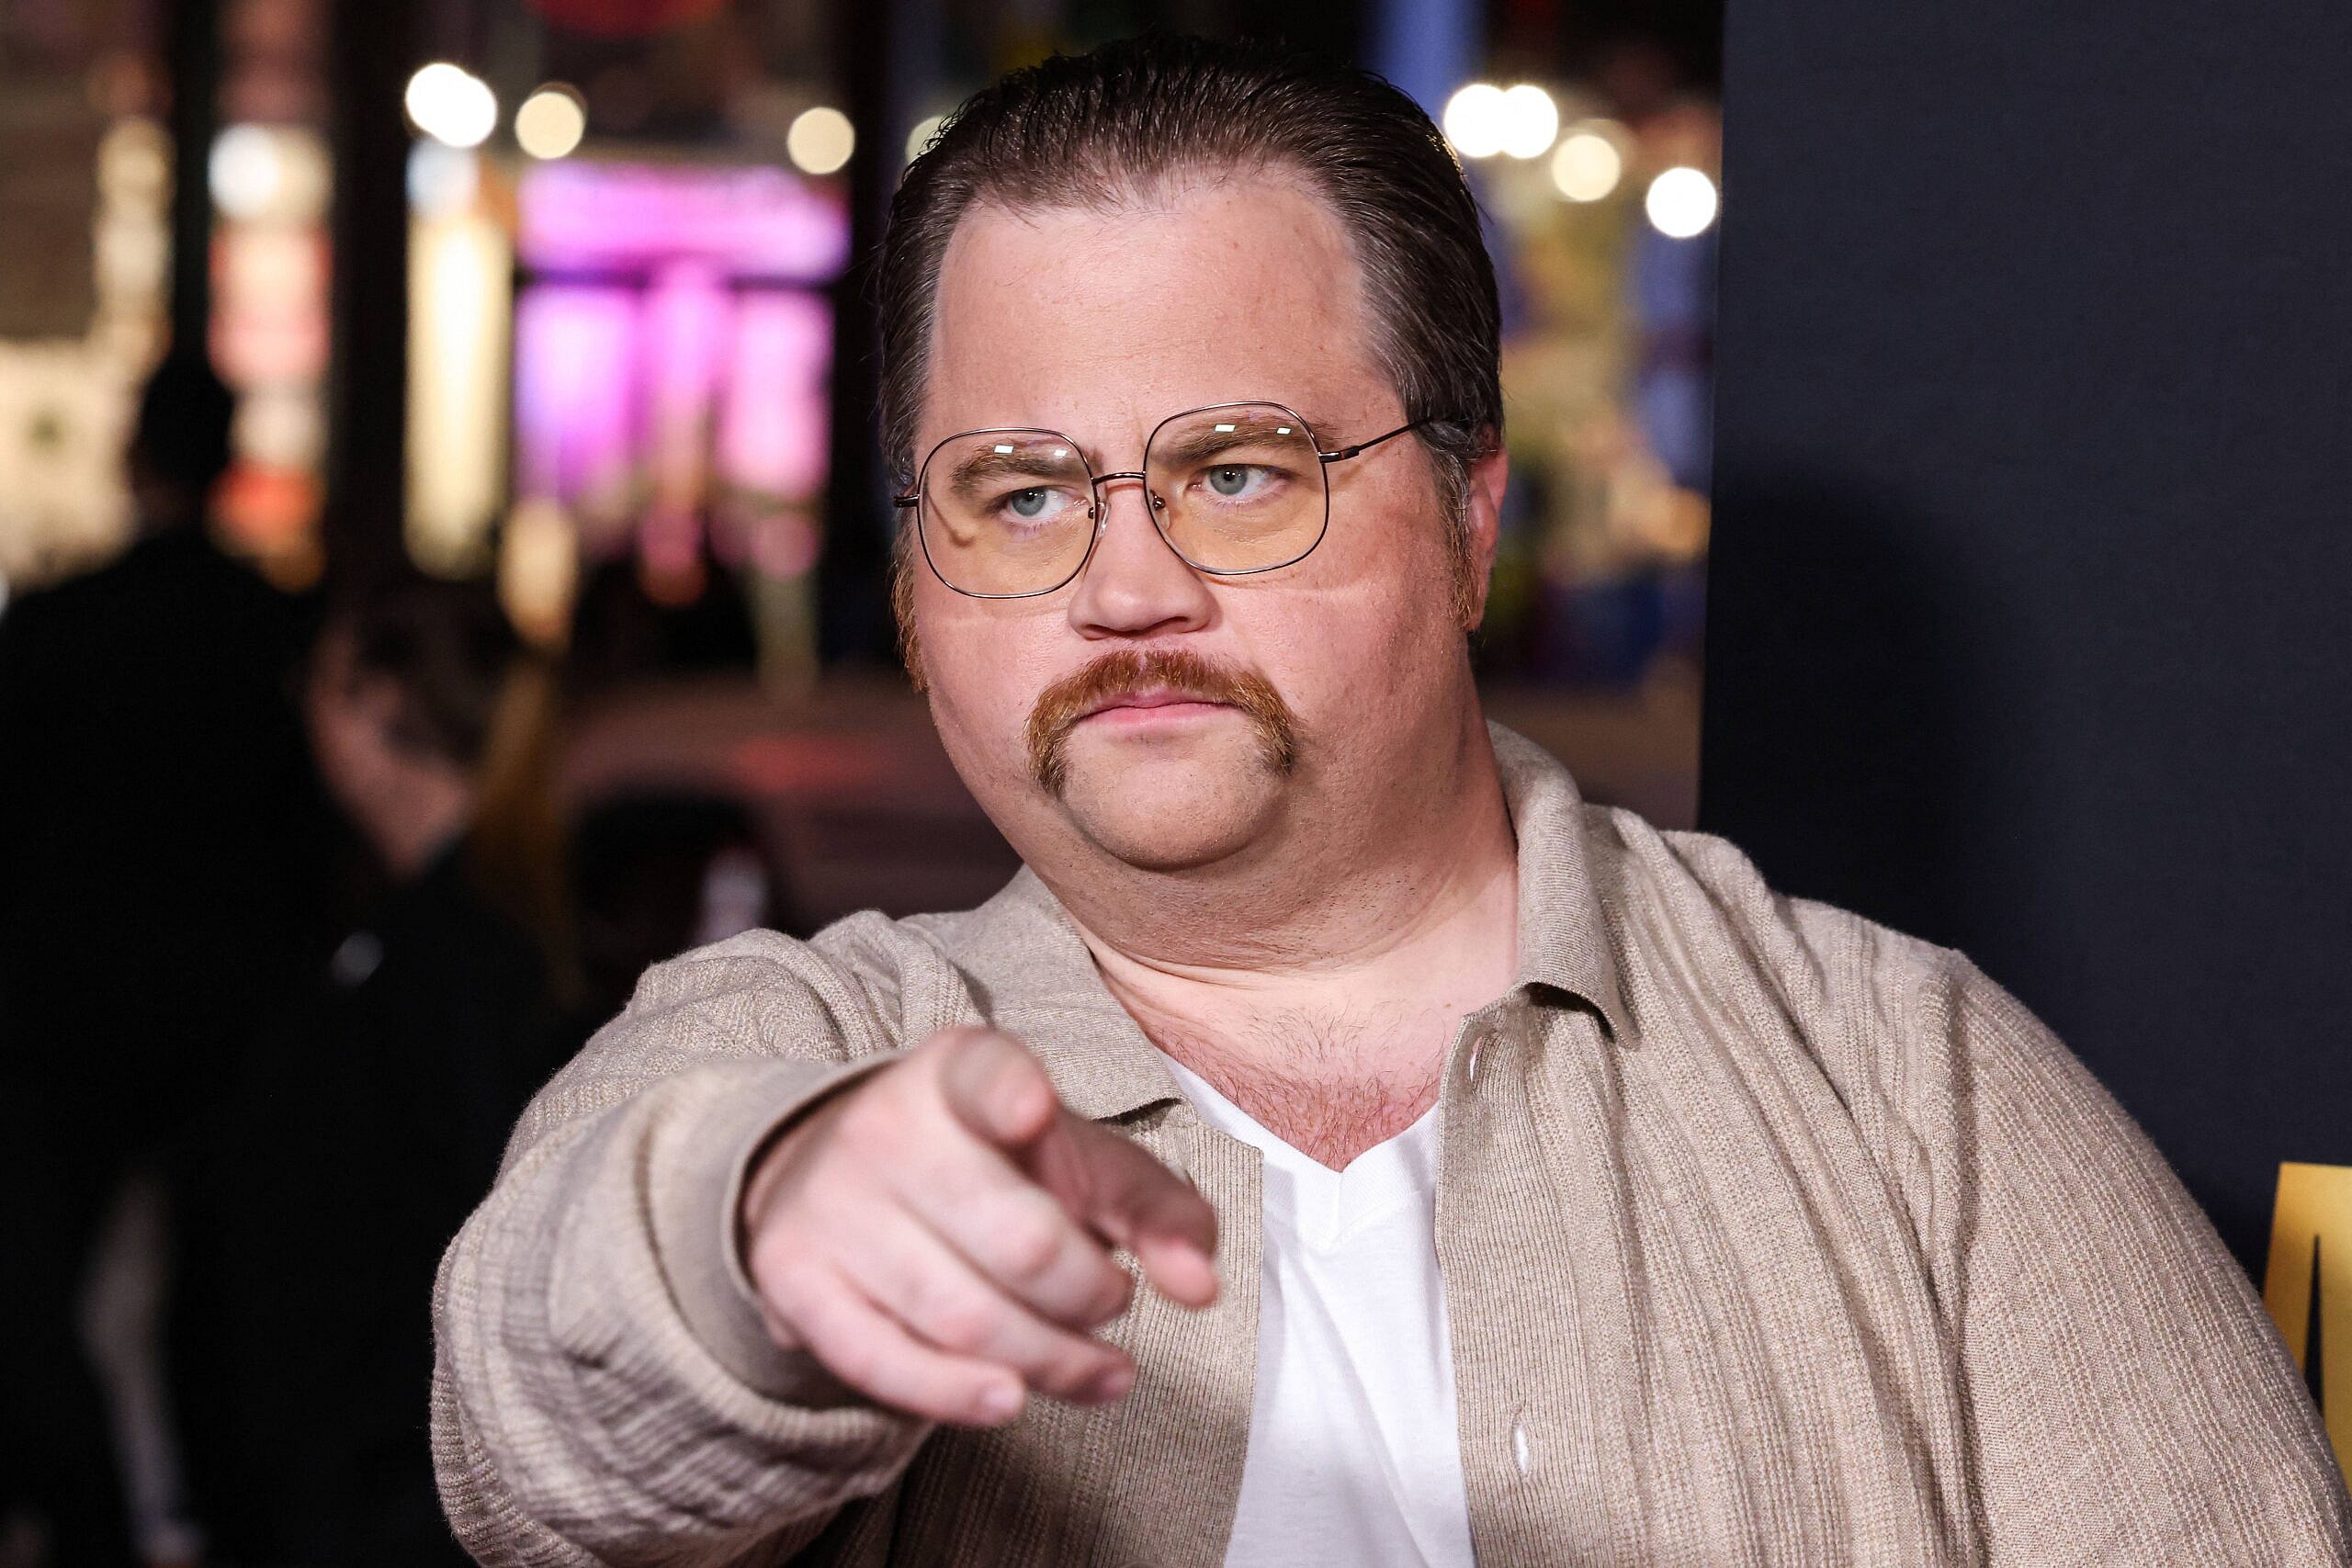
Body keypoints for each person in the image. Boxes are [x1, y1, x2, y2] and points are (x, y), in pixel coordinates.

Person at [430, 36, 2351, 1567]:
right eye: (1019, 493)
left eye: (1240, 470)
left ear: (1467, 514)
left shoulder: (1902, 1093)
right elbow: (536, 1414)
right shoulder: (804, 1046)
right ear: (918, 592)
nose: (1124, 584)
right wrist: (763, 1233)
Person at [170, 579, 570, 1565]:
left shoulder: (455, 955)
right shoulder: (447, 926)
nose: (302, 706)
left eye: (320, 681)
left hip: (397, 1505)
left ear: (381, 706)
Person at [0, 354, 322, 1568]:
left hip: (73, 1003)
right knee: (218, 1291)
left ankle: (88, 1515)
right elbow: (302, 838)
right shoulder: (272, 628)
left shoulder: (58, 623)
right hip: (233, 1004)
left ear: (133, 457)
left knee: (44, 1286)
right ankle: (217, 1515)